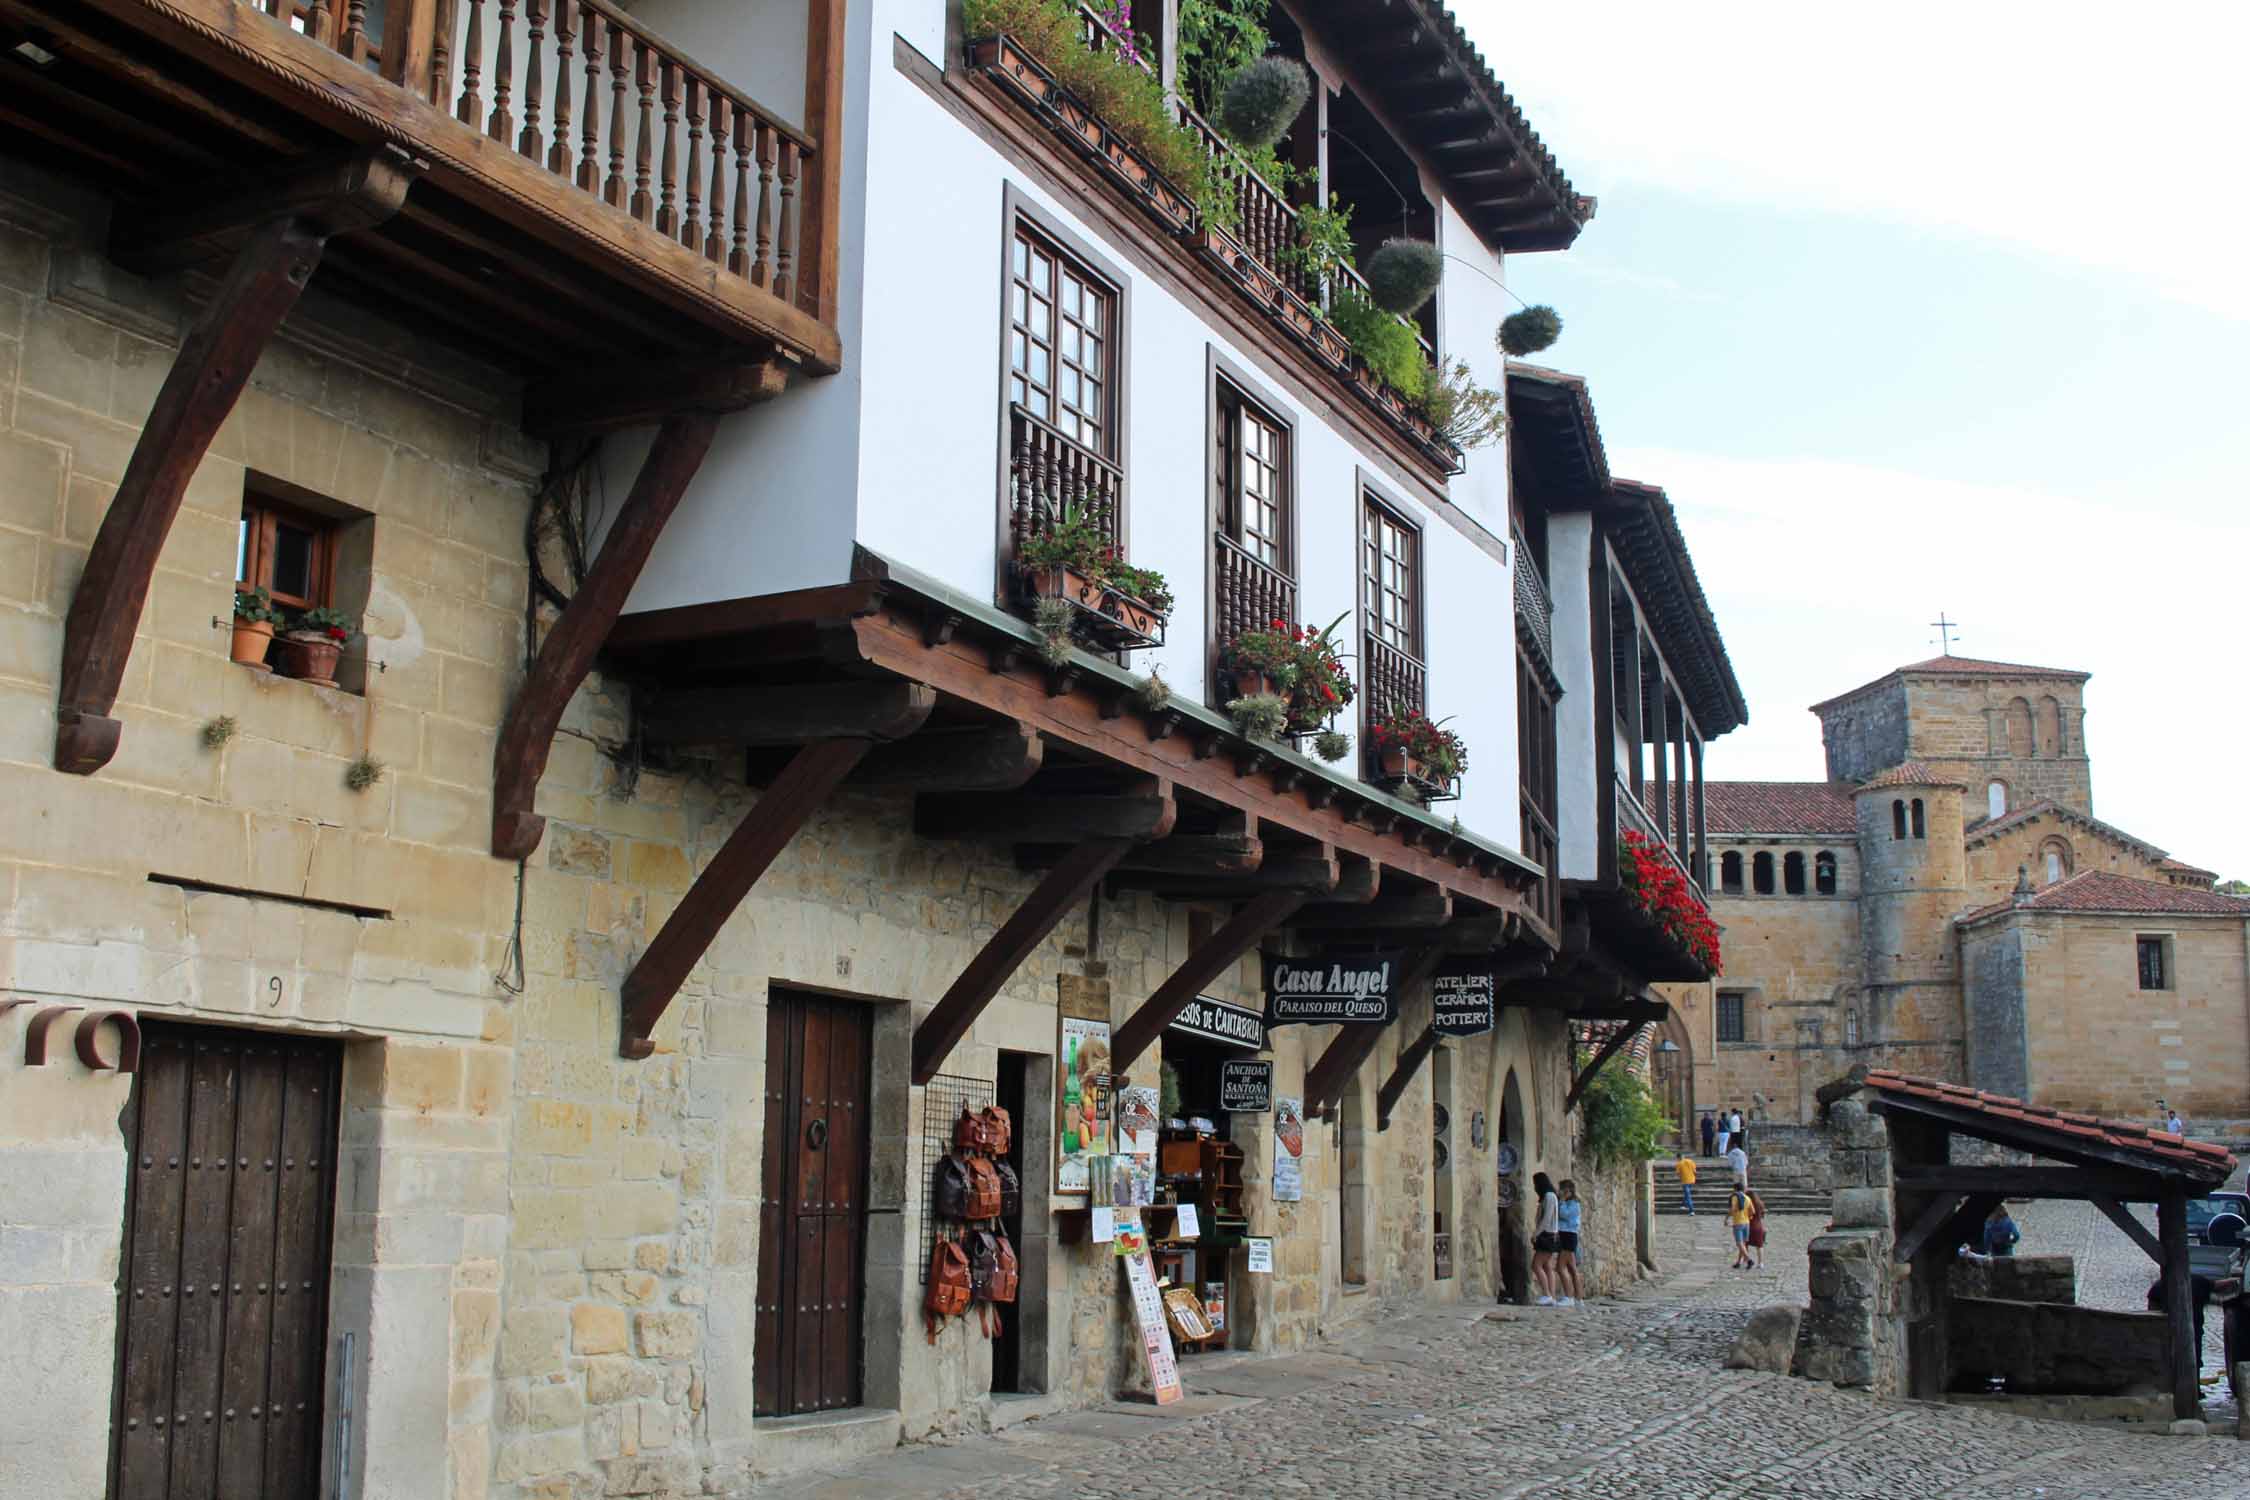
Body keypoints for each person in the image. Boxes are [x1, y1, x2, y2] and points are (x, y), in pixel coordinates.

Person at [1531, 1172, 1561, 1305]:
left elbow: (1547, 1218)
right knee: (1547, 1266)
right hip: (1550, 1234)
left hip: (1547, 1234)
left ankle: (1547, 1294)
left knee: (1536, 1265)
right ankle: (1552, 1296)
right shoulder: (1549, 1196)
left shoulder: (1549, 1196)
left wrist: (1536, 1233)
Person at [1554, 1179, 1584, 1306]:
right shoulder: (1569, 1203)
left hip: (1568, 1236)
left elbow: (1564, 1214)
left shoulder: (1574, 1204)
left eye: (1561, 1189)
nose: (1559, 1191)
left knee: (1560, 1267)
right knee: (1572, 1268)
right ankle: (1578, 1298)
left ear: (1568, 1191)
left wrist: (1561, 1201)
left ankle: (1569, 1296)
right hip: (1566, 1235)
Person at [1727, 1182, 1755, 1269]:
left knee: (1739, 1243)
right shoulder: (1747, 1198)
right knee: (1743, 1243)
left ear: (1735, 1189)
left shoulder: (1735, 1197)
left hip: (1738, 1222)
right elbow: (1753, 1211)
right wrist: (1748, 1216)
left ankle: (1749, 1260)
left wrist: (1727, 1218)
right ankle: (1739, 1262)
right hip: (1746, 1222)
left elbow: (1733, 1208)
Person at [1745, 1189, 1767, 1268]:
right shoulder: (1760, 1203)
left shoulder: (1747, 1204)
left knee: (1745, 1244)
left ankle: (1746, 1260)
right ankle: (1760, 1263)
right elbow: (1763, 1215)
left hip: (1749, 1226)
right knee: (1759, 1246)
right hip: (1759, 1226)